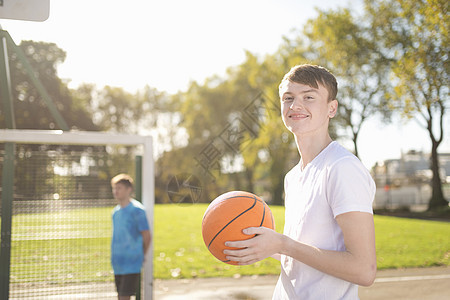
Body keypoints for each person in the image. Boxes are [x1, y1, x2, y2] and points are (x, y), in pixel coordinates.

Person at [224, 64, 377, 299]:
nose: (296, 105)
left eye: (309, 97)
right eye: (288, 98)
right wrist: (261, 245)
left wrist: (284, 245)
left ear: (331, 108)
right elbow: (302, 251)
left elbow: (364, 270)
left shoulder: (342, 168)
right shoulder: (293, 177)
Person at [110, 173, 151, 300]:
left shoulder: (137, 210)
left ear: (129, 190)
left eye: (119, 188)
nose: (116, 191)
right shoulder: (115, 212)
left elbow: (147, 235)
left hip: (131, 262)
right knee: (120, 296)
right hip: (117, 263)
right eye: (114, 188)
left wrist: (141, 254)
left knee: (124, 296)